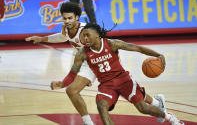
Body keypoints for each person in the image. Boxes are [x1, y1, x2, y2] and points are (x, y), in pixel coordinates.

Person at [56, 23, 185, 125]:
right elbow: (73, 73)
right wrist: (62, 83)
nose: (84, 38)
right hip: (106, 85)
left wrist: (158, 55)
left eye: (87, 35)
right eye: (83, 36)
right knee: (101, 106)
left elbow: (137, 48)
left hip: (123, 80)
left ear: (97, 36)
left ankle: (170, 117)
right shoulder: (82, 53)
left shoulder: (112, 44)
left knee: (142, 108)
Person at [25, 2, 95, 125]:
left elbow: (105, 45)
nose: (67, 21)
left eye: (70, 18)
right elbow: (63, 37)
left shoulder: (85, 31)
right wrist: (41, 39)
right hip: (85, 63)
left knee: (108, 100)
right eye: (65, 18)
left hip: (98, 61)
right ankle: (88, 122)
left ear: (77, 17)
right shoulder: (66, 29)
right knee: (72, 91)